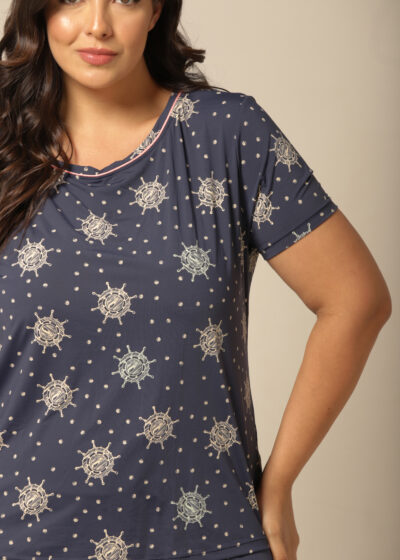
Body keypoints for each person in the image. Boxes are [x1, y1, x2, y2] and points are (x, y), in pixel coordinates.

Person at [0, 1, 392, 559]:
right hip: (22, 538)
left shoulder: (227, 135)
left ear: (156, 10)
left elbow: (356, 299)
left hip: (208, 537)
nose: (97, 25)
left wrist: (278, 485)